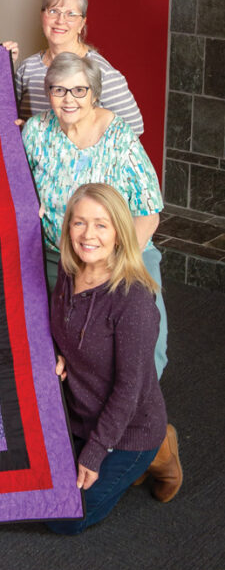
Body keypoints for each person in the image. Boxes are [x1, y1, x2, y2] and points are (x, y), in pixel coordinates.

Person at [46, 183, 182, 535]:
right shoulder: (68, 271)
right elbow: (61, 327)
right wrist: (57, 353)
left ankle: (159, 452)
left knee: (65, 520)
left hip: (129, 430)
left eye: (101, 225)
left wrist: (93, 454)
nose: (87, 234)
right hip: (78, 417)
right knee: (36, 492)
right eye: (79, 223)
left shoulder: (133, 301)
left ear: (120, 234)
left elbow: (129, 390)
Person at [21, 52, 168, 376]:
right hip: (58, 253)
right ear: (48, 93)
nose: (68, 99)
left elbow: (149, 211)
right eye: (58, 90)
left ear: (94, 93)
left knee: (143, 344)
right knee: (49, 341)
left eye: (79, 90)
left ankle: (142, 420)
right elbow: (16, 191)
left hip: (124, 253)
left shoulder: (119, 136)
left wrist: (114, 265)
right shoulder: (35, 132)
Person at [15, 0, 143, 134]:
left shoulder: (102, 71)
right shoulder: (27, 68)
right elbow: (9, 116)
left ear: (82, 23)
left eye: (71, 14)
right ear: (42, 16)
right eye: (53, 11)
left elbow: (134, 127)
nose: (60, 20)